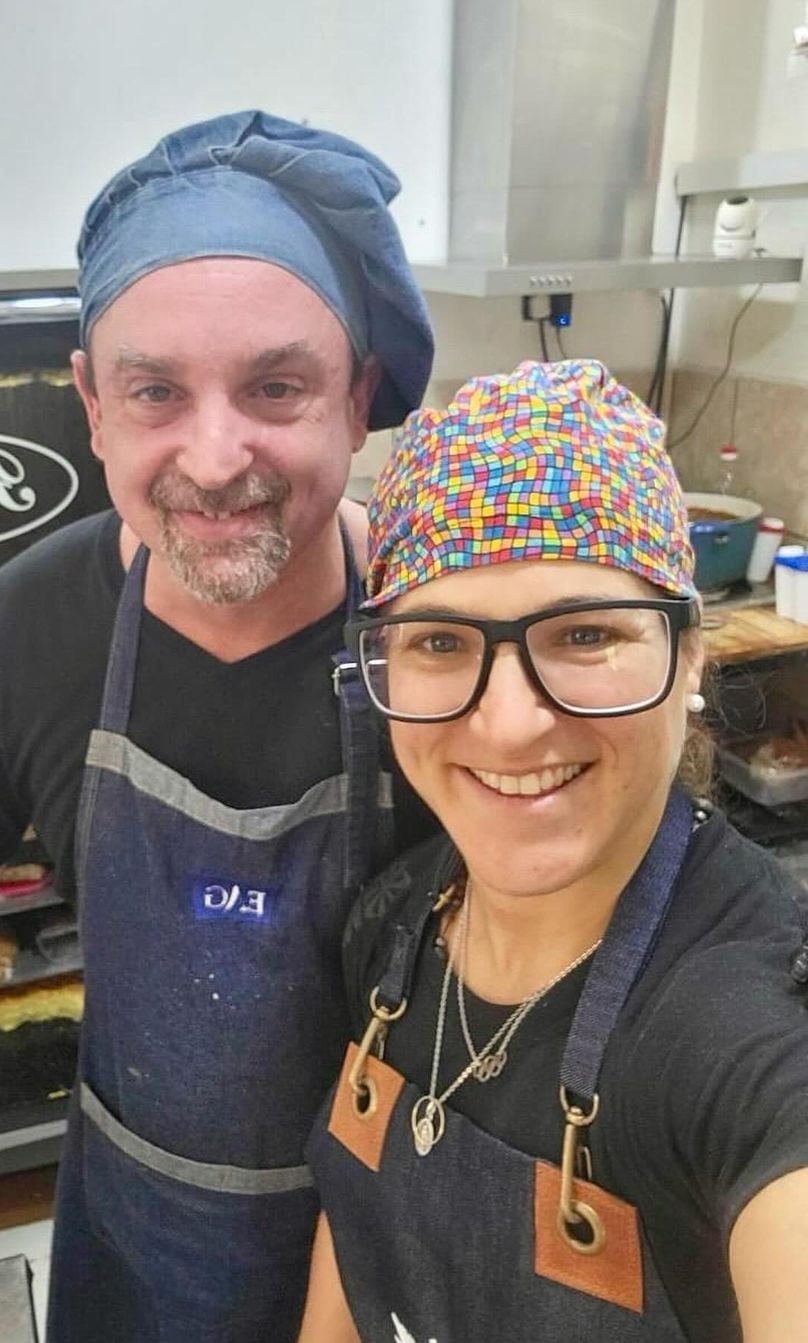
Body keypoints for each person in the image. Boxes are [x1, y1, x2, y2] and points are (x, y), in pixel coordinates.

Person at [0, 111, 435, 1342]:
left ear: (359, 398)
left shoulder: (445, 629)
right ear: (92, 407)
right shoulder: (24, 631)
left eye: (276, 385)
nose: (215, 459)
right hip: (135, 1235)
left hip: (396, 1233)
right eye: (155, 391)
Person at [298, 359, 808, 1343]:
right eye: (442, 642)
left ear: (689, 652)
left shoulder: (750, 1039)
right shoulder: (397, 921)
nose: (510, 723)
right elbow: (351, 1247)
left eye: (582, 632)